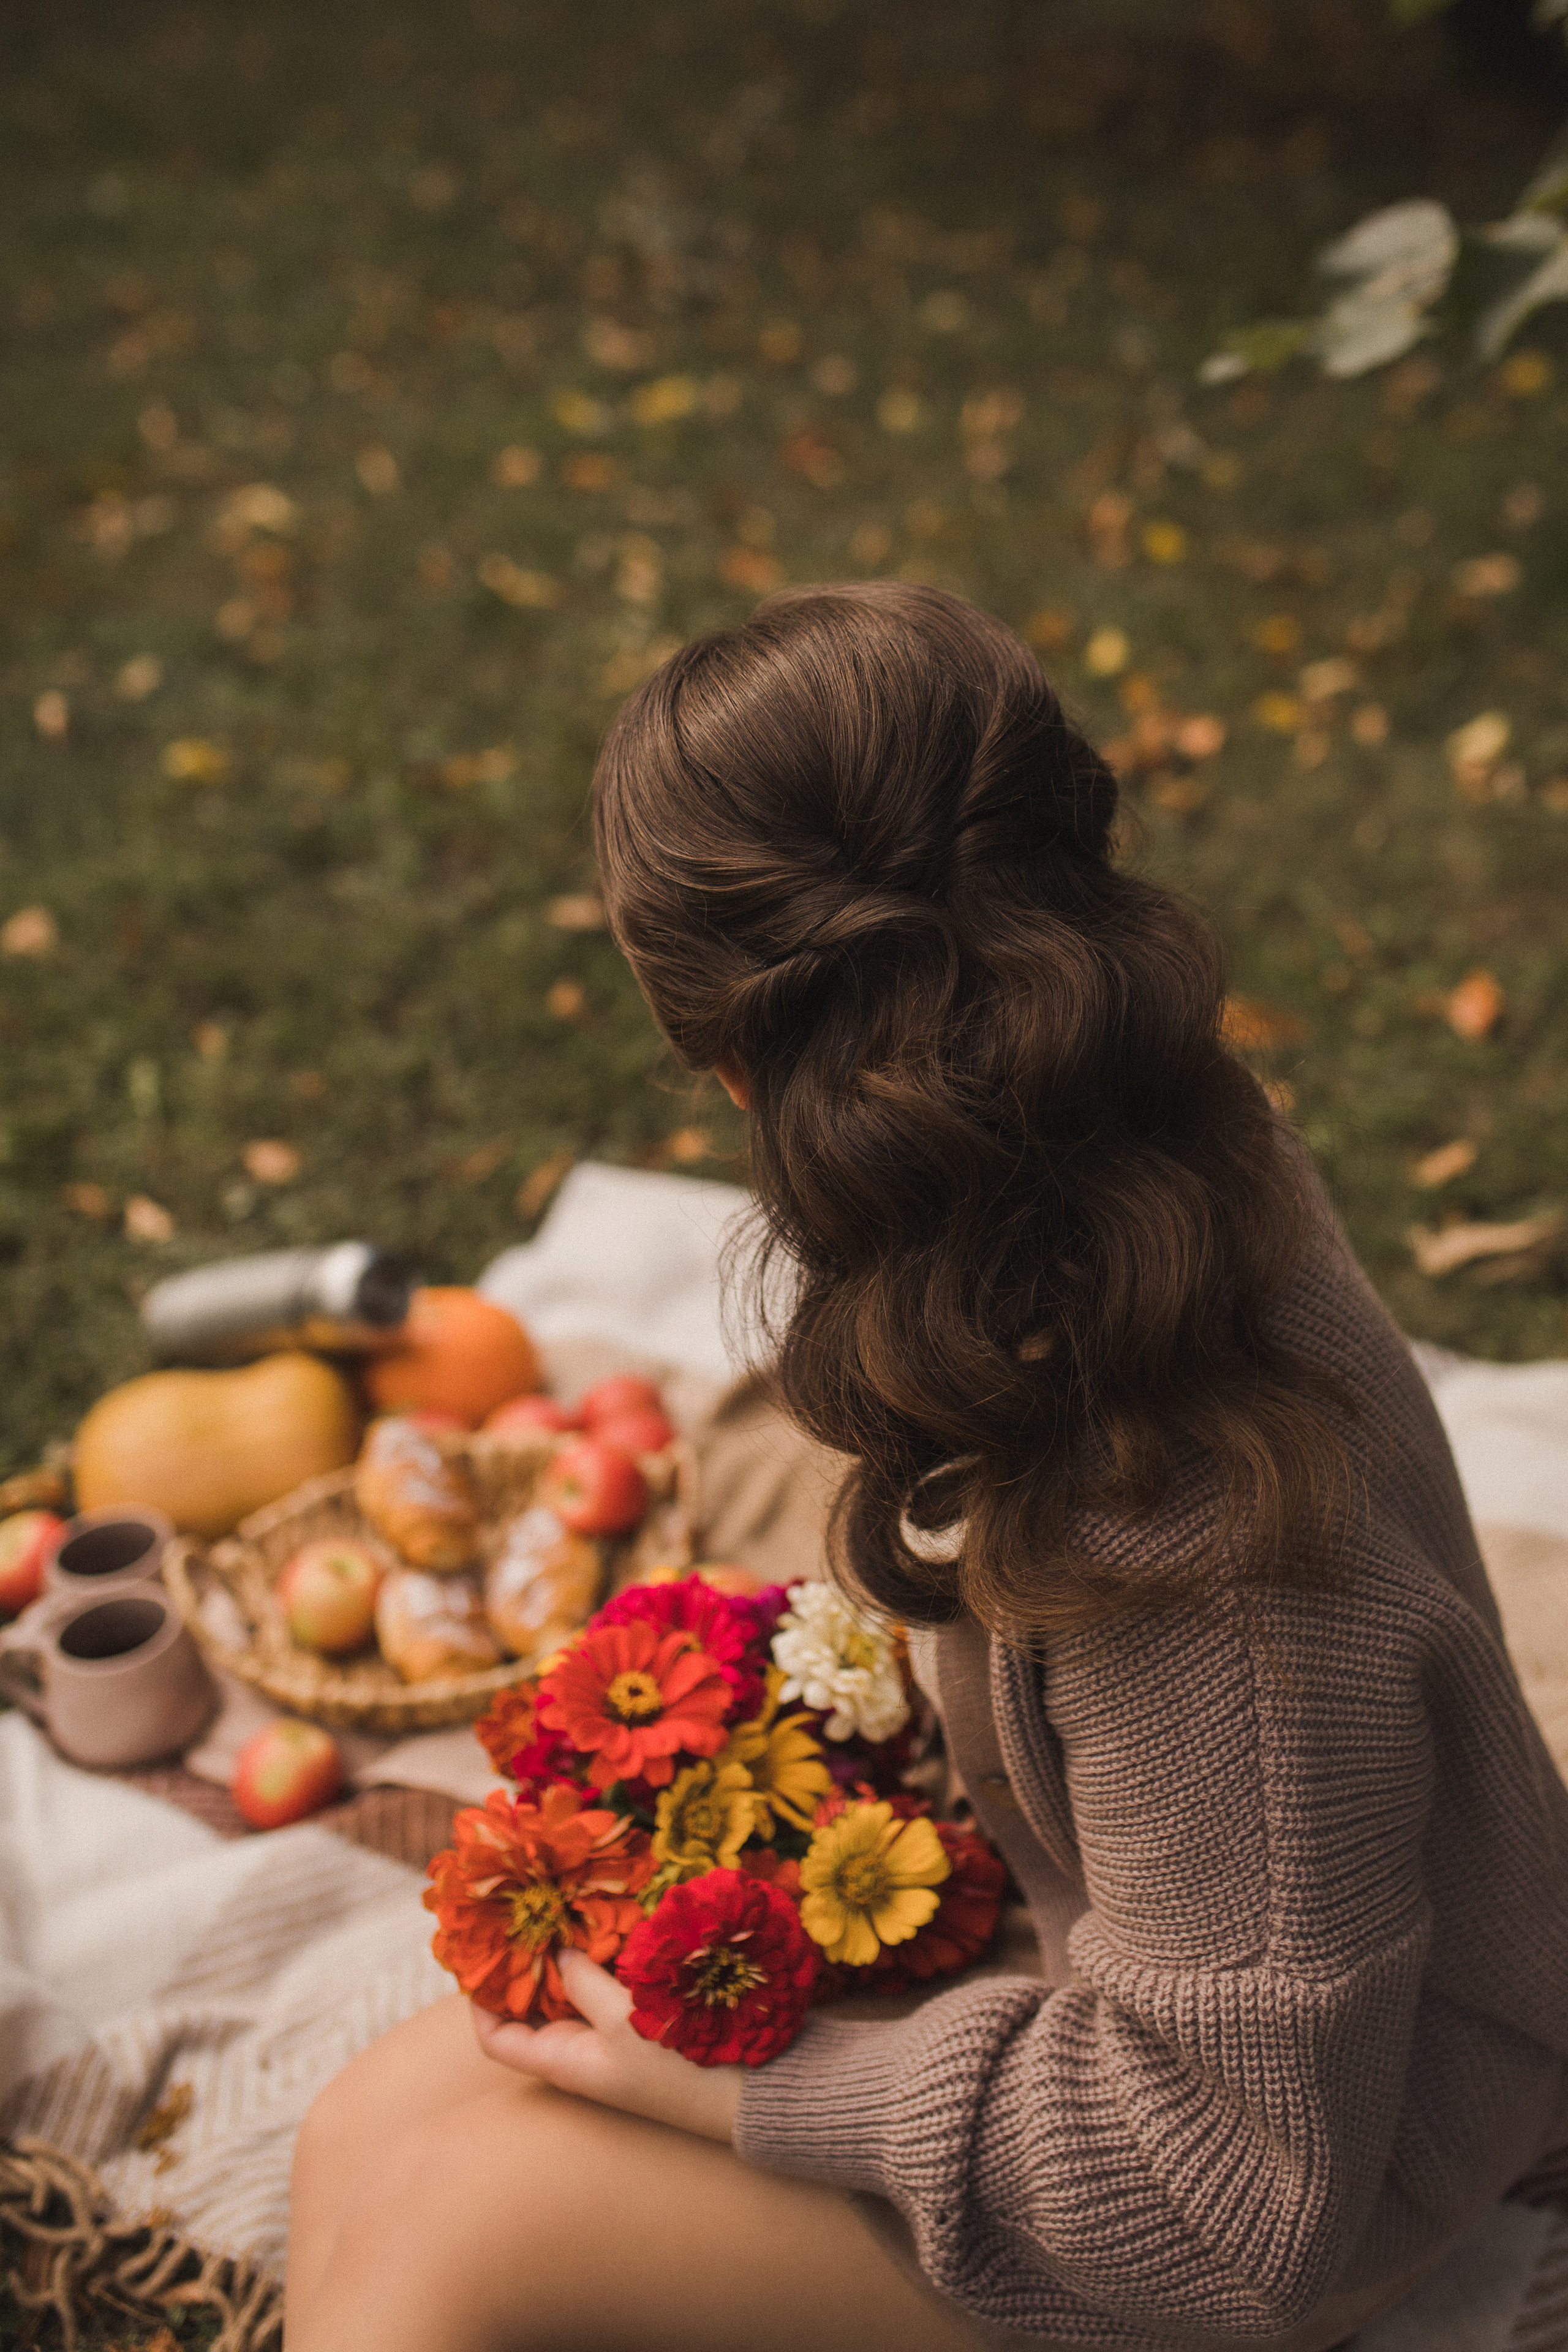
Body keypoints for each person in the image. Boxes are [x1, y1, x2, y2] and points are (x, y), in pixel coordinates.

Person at [285, 584, 1568, 2352]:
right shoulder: (1117, 1154)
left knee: (451, 2228)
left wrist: (766, 2093)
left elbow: (1232, 2204)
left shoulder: (1181, 1524)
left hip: (1317, 2180)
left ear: (726, 1058)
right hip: (1142, 1961)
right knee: (369, 2127)